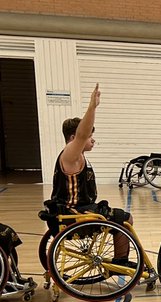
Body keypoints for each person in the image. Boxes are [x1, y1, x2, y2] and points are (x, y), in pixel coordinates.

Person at [48, 83, 133, 265]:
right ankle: (121, 263)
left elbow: (83, 134)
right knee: (125, 219)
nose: (92, 139)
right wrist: (92, 107)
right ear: (73, 138)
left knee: (115, 214)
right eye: (89, 136)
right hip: (73, 215)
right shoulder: (71, 156)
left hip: (78, 211)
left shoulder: (78, 157)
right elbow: (82, 134)